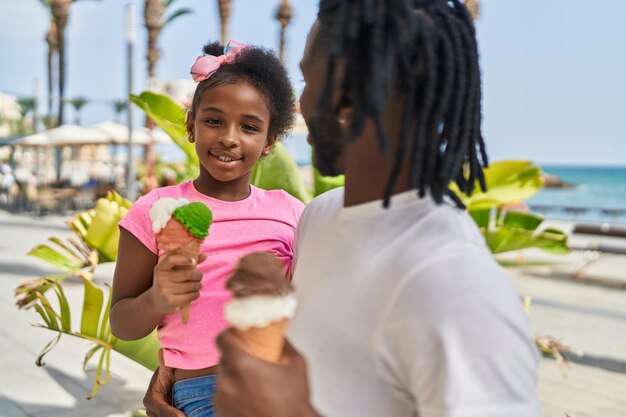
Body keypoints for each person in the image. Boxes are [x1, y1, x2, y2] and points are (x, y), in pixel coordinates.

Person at [146, 1, 542, 416]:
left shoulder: (454, 283)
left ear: (348, 100)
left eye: (307, 81)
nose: (299, 103)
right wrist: (177, 383)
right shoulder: (317, 218)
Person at [110, 40, 304, 417]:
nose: (229, 137)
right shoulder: (152, 211)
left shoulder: (290, 211)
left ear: (269, 142)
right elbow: (122, 323)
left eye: (249, 127)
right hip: (200, 394)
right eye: (213, 120)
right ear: (191, 125)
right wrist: (157, 300)